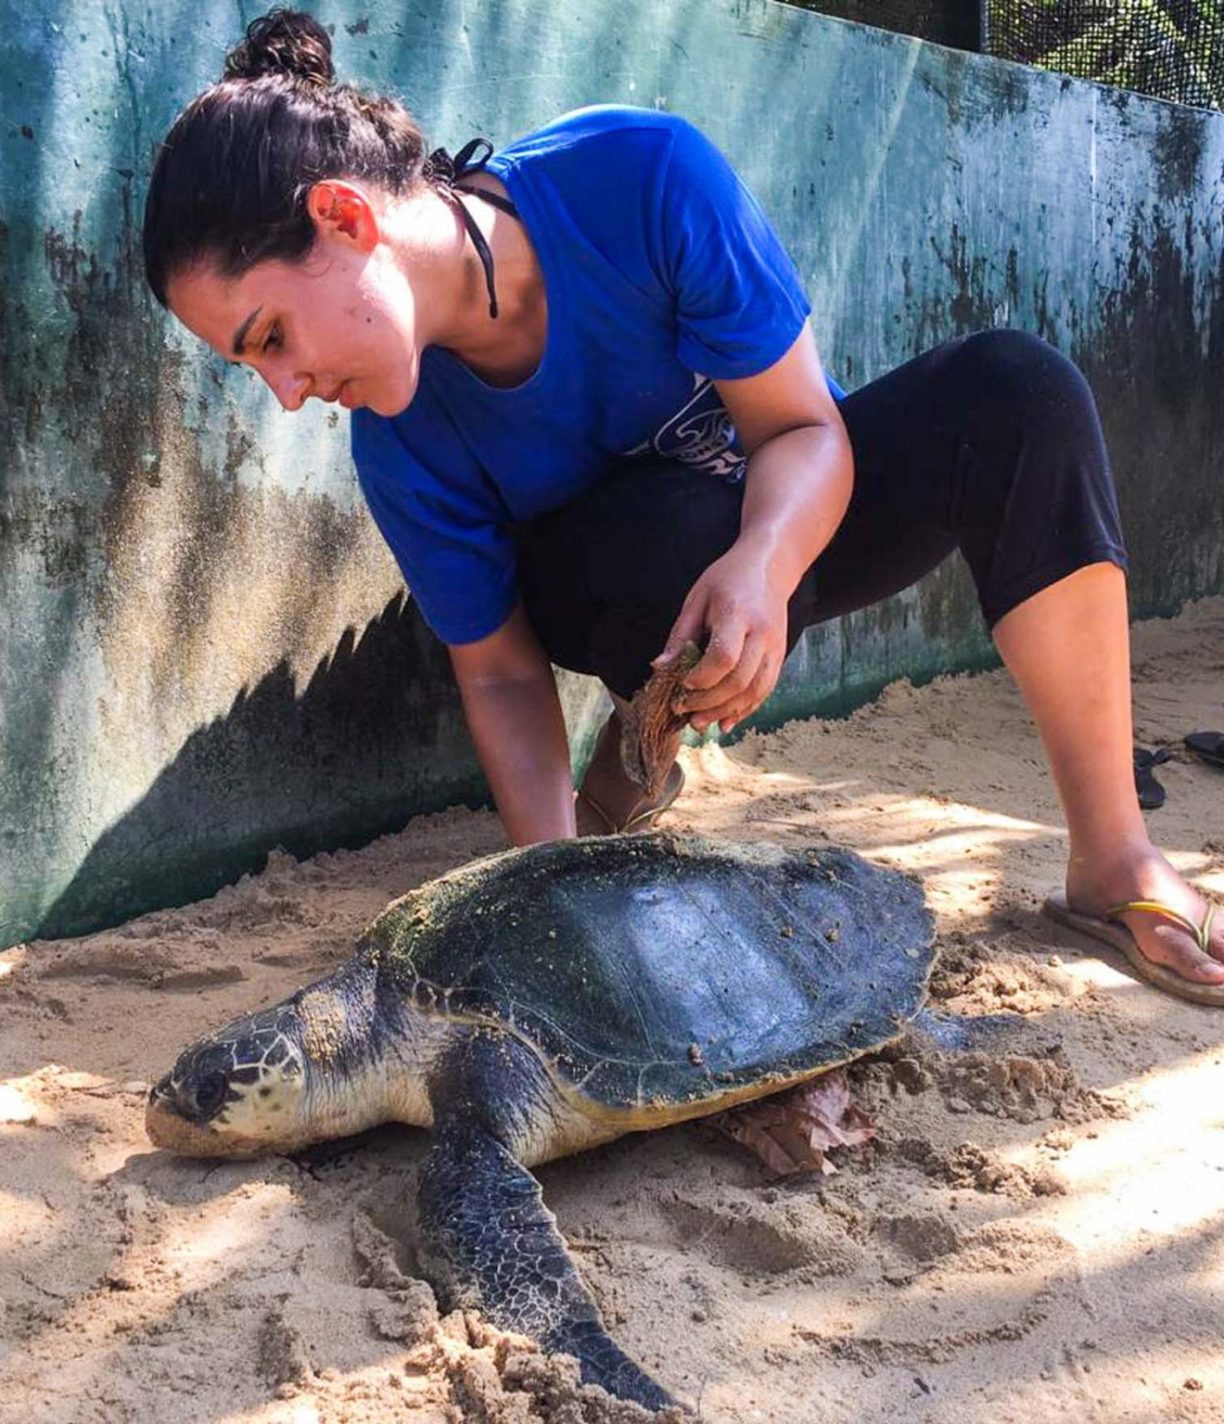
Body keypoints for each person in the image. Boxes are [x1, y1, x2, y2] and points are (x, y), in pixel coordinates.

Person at [143, 9, 1223, 1002]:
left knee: (1019, 391)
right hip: (645, 586)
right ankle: (641, 737)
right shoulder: (401, 442)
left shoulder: (636, 174)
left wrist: (765, 558)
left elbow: (805, 431)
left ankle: (1112, 853)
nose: (285, 393)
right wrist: (553, 882)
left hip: (791, 520)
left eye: (271, 339)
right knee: (666, 533)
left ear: (342, 218)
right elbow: (504, 669)